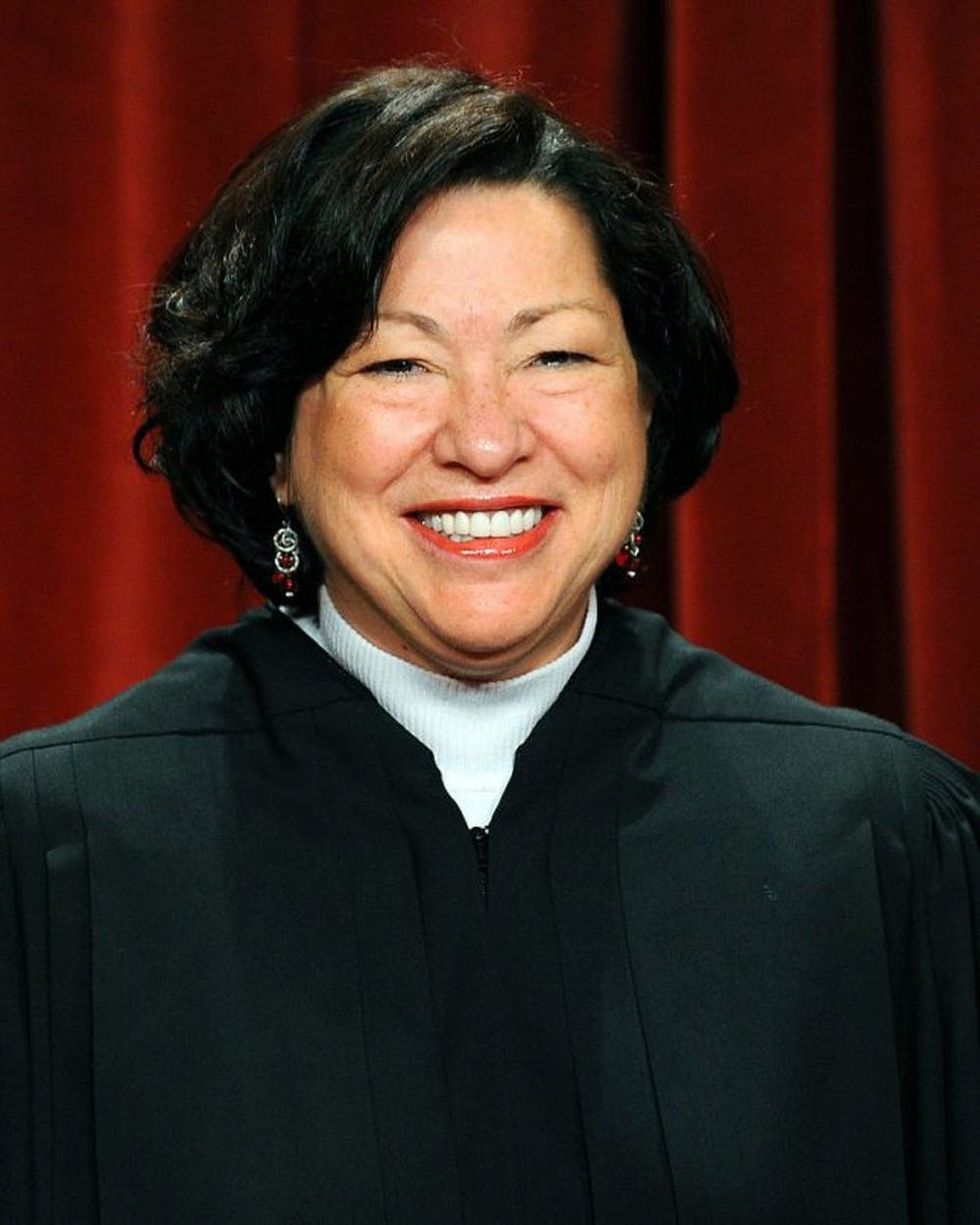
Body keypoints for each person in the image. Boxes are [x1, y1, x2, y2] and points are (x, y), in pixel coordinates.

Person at [1, 64, 976, 1225]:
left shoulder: (874, 843)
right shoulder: (55, 859)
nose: (484, 439)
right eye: (397, 363)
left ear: (645, 404)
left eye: (554, 356)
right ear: (273, 440)